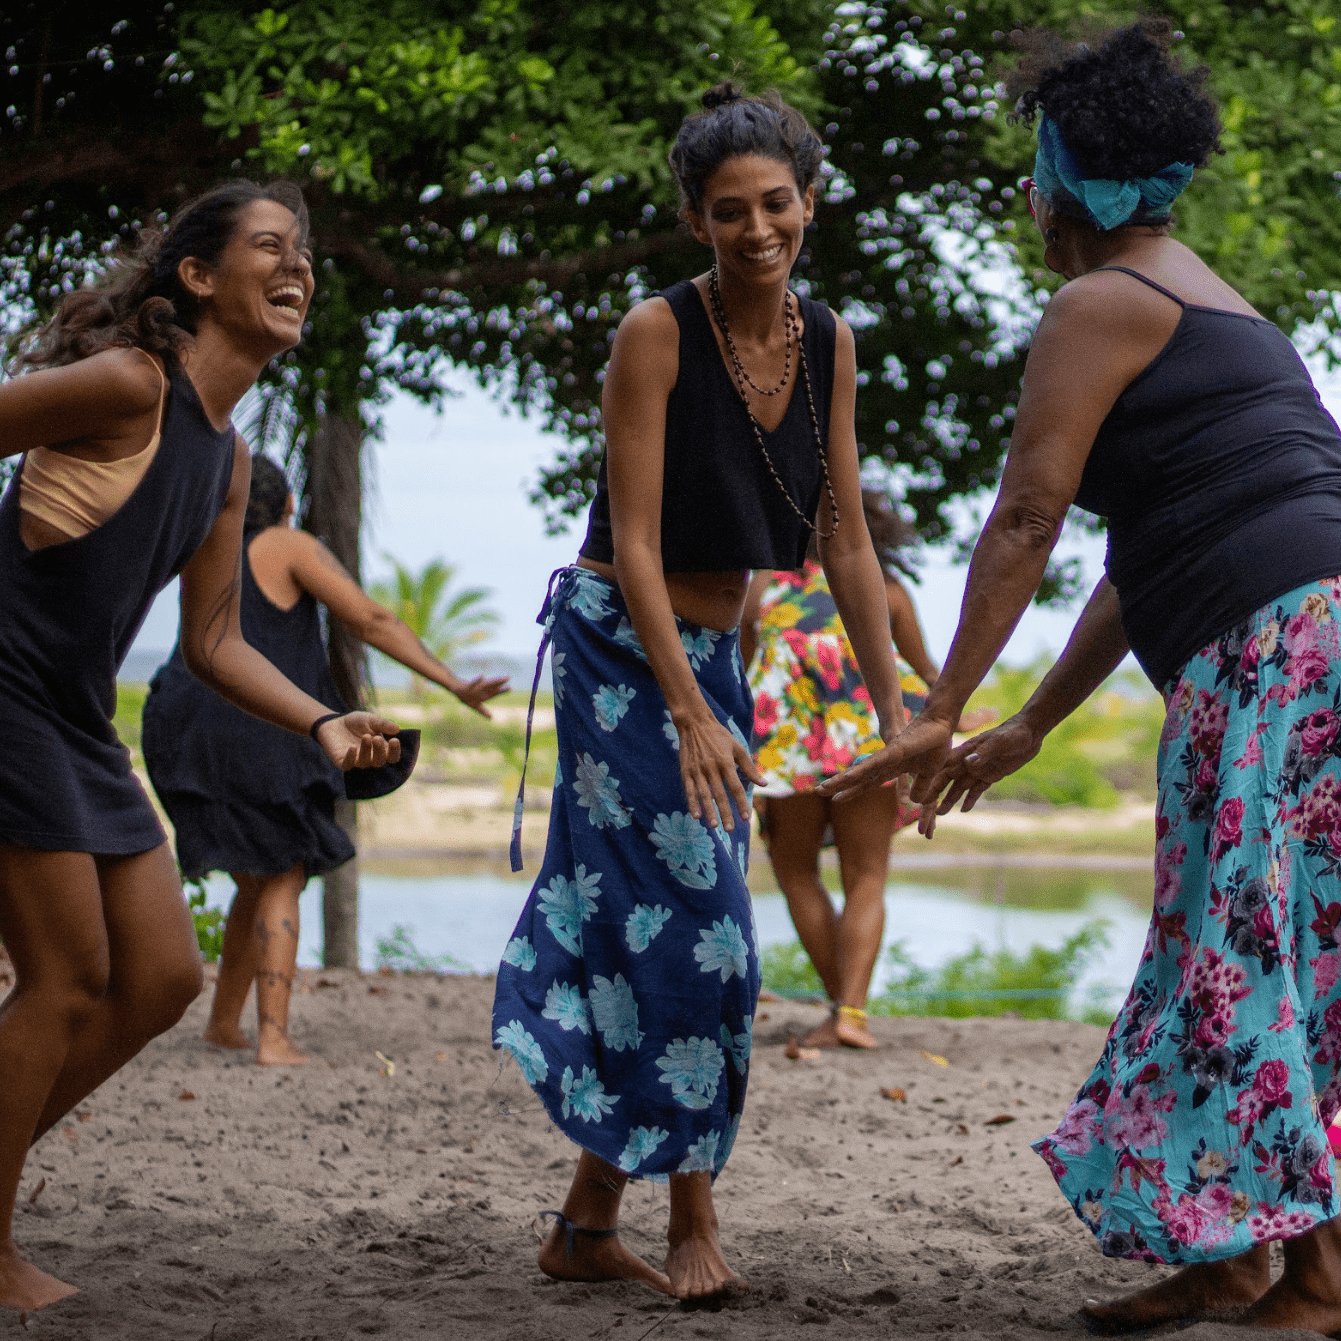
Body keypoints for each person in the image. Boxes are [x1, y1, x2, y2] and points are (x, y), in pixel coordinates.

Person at [819, 20, 1341, 1335]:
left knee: (1243, 948)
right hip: (1304, 632)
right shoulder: (1211, 300)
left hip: (1279, 645)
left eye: (1030, 169)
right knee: (1263, 942)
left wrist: (934, 706)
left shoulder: (1100, 301)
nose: (1024, 197)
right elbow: (1135, 563)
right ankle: (1231, 1253)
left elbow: (1025, 516)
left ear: (1067, 176)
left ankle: (1318, 1274)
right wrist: (1032, 724)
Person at [491, 83, 906, 1300]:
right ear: (695, 222)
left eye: (776, 202)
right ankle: (689, 1211)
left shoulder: (828, 340)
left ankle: (581, 1222)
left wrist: (898, 719)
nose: (758, 227)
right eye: (730, 211)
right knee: (712, 939)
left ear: (810, 203)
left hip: (720, 655)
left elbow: (845, 539)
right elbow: (631, 540)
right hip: (627, 652)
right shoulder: (656, 332)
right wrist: (683, 711)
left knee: (660, 927)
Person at [0, 179, 403, 1314]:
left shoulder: (224, 461)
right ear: (196, 276)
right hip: (6, 694)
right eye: (269, 247)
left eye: (305, 255)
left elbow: (216, 639)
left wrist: (323, 719)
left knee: (163, 980)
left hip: (76, 717)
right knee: (68, 977)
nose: (297, 268)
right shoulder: (131, 385)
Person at [142, 456, 507, 1066]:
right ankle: (274, 1040)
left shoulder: (206, 546)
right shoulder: (287, 545)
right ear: (286, 505)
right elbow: (369, 617)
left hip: (180, 720)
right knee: (284, 870)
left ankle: (224, 1026)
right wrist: (452, 683)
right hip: (250, 723)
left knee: (256, 878)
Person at [740, 490, 937, 1049]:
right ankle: (850, 1011)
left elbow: (749, 669)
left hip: (790, 749)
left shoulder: (766, 587)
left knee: (796, 871)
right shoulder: (888, 592)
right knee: (867, 876)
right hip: (870, 743)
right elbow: (925, 673)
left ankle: (843, 1009)